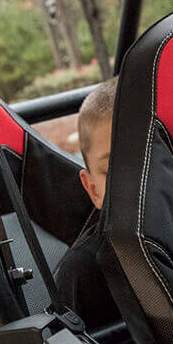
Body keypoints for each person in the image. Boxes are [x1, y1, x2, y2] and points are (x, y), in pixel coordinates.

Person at [55, 77, 123, 330]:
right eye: (111, 170)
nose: (133, 181)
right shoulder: (84, 274)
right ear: (93, 188)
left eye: (145, 160)